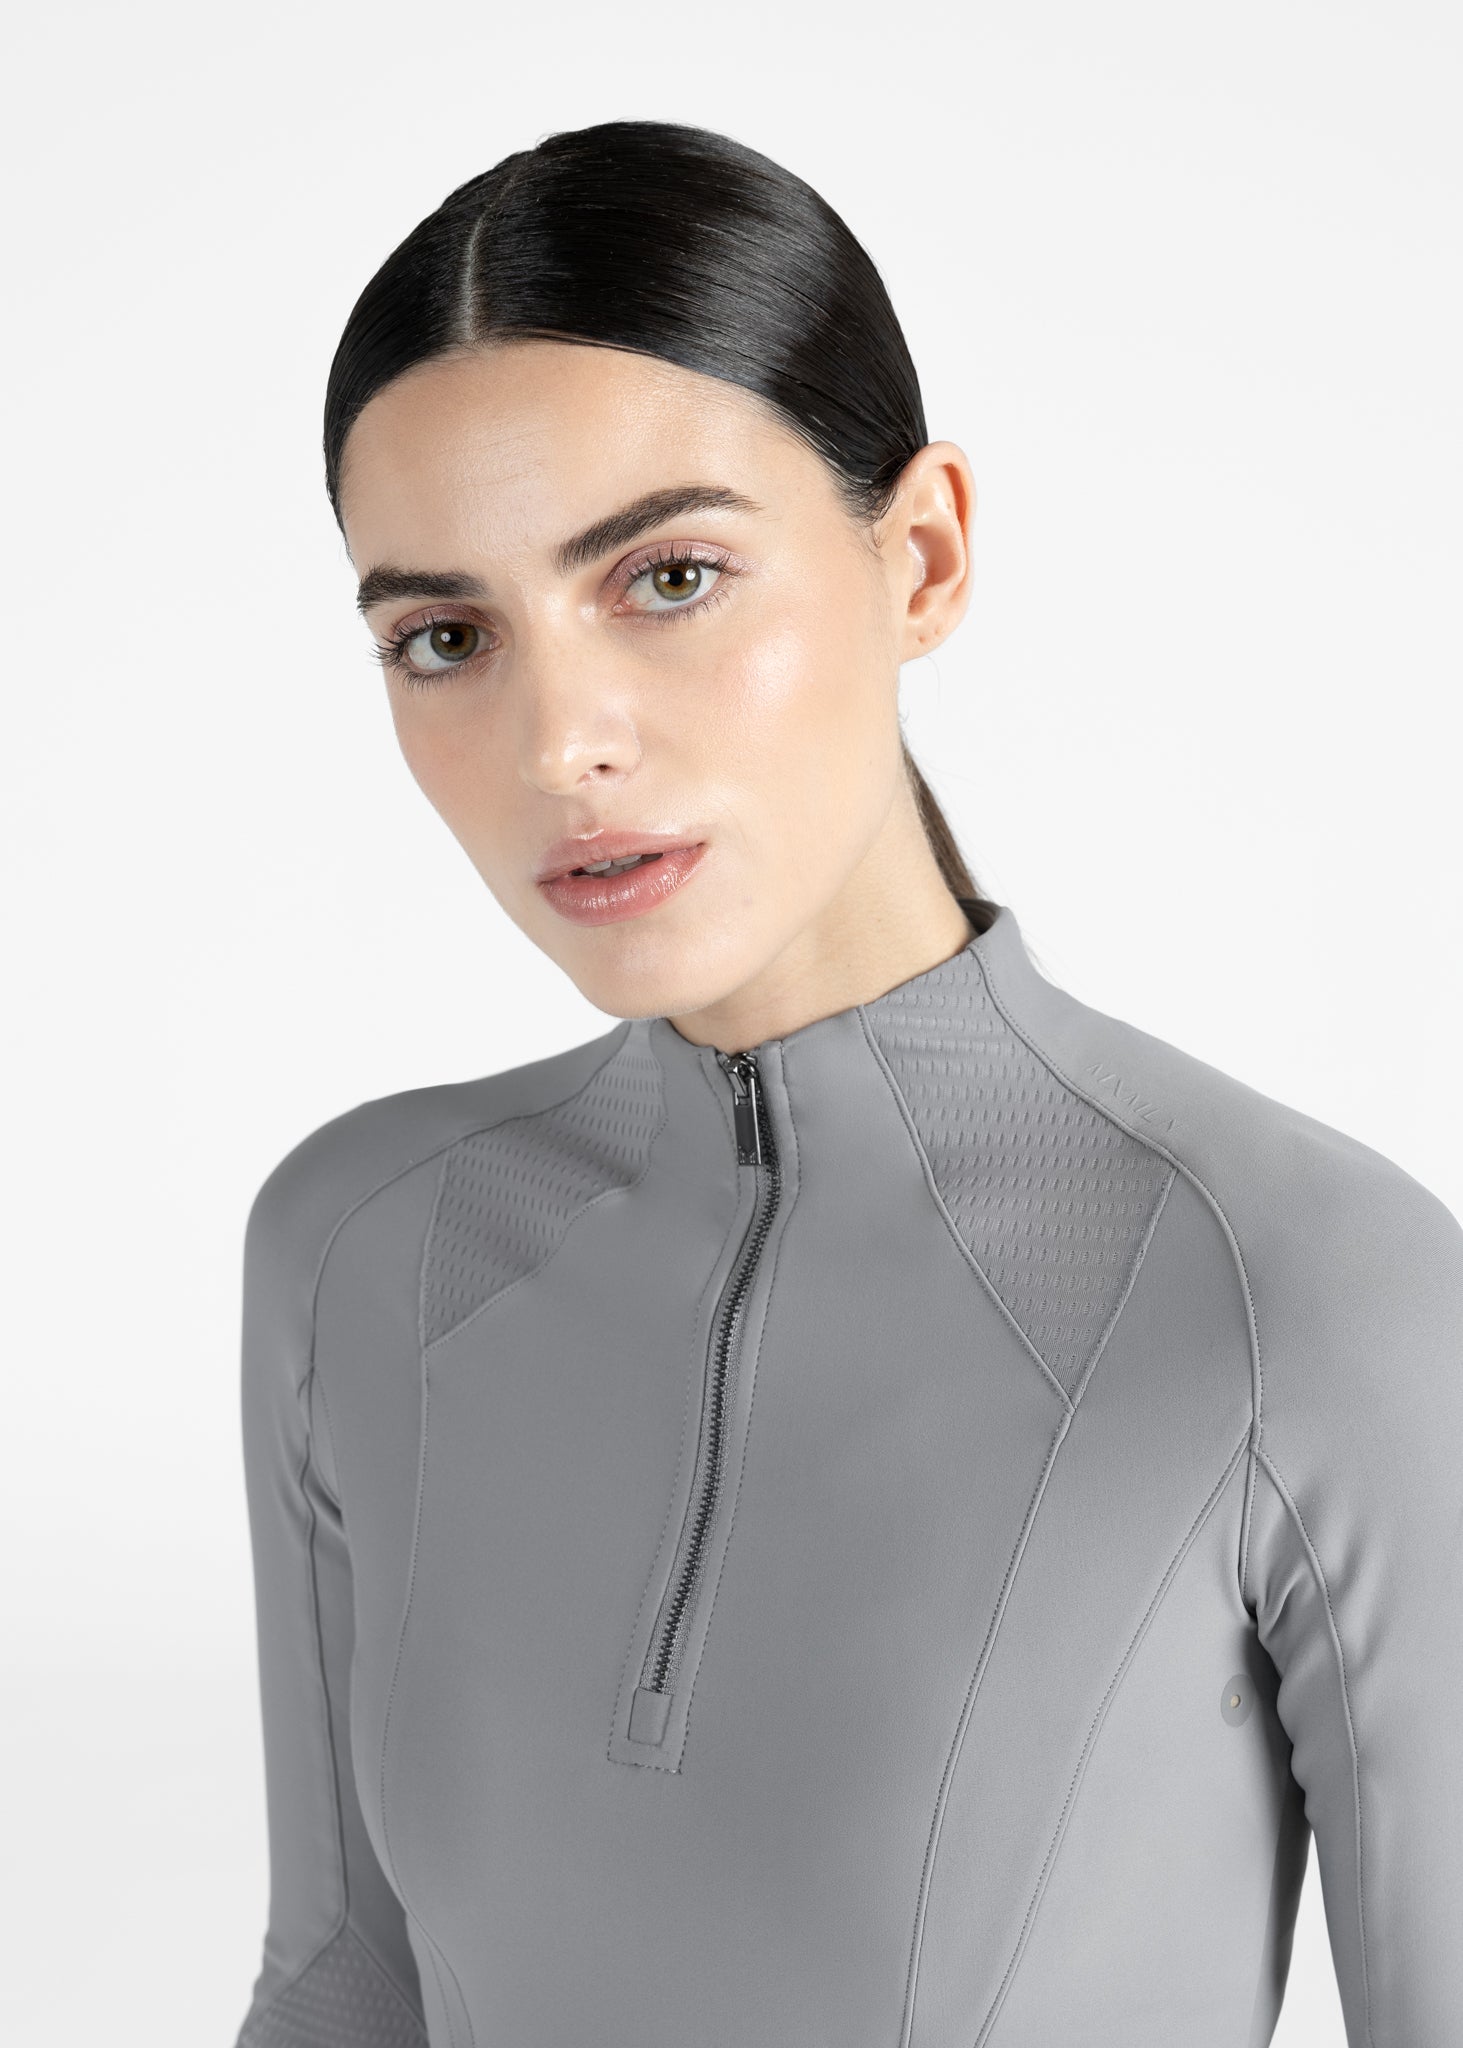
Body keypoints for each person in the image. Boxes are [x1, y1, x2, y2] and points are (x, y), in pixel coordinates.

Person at [231, 119, 1463, 2048]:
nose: (560, 743)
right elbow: (344, 1983)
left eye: (669, 577)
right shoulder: (364, 1247)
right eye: (447, 636)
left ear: (923, 557)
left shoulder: (1306, 1288)